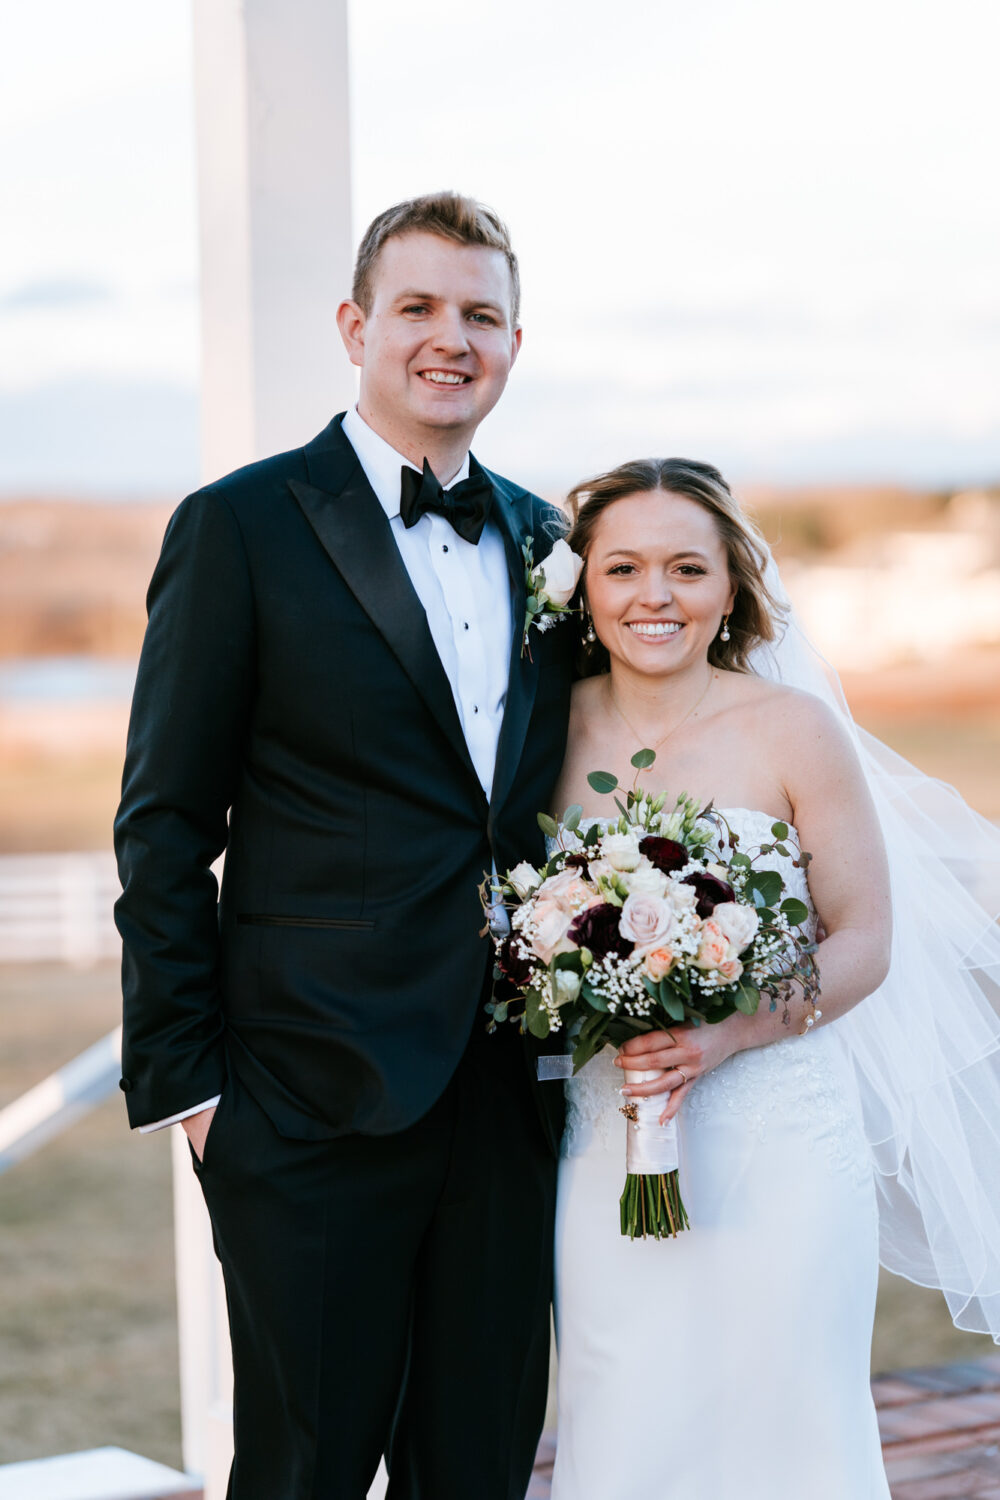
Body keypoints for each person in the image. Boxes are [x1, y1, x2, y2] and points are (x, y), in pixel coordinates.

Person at [114, 192, 574, 1500]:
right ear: (354, 326)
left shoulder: (553, 542)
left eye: (480, 314)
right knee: (304, 1472)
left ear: (514, 344)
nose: (450, 338)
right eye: (419, 307)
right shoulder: (242, 526)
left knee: (480, 1466)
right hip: (304, 1100)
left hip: (504, 1097)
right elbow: (162, 827)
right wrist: (194, 1092)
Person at [546, 456, 1000, 1498]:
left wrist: (726, 1033)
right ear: (584, 587)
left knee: (788, 1420)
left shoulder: (794, 729)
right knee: (627, 1412)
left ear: (731, 588)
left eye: (685, 569)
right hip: (607, 1142)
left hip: (780, 1140)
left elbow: (864, 939)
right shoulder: (546, 735)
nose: (652, 596)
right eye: (621, 568)